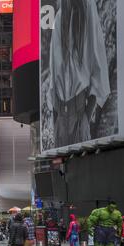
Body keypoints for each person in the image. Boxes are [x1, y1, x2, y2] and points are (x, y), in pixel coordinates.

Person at [46, 0, 111, 148]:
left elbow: (98, 64)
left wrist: (86, 118)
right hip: (61, 114)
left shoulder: (88, 8)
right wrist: (56, 121)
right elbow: (53, 73)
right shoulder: (59, 16)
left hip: (80, 108)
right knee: (64, 166)